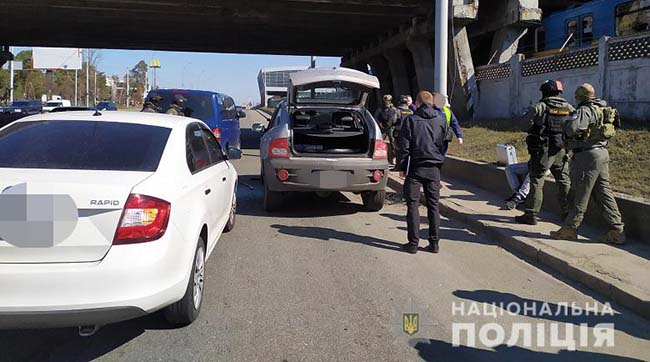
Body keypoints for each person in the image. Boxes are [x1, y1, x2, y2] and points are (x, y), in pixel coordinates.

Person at [550, 83, 625, 244]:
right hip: (602, 153)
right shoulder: (603, 108)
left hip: (587, 155)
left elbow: (572, 129)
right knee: (604, 193)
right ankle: (617, 230)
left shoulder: (585, 110)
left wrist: (567, 124)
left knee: (580, 194)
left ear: (580, 97)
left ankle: (569, 229)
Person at [396, 91, 449, 255]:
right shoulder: (441, 119)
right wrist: (439, 158)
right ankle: (434, 244)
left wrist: (402, 168)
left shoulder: (410, 120)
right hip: (434, 168)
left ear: (417, 103)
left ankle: (413, 244)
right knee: (434, 206)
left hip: (415, 168)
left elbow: (403, 148)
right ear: (432, 103)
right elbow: (447, 139)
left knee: (413, 205)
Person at [515, 80, 573, 225]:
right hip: (561, 148)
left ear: (544, 92)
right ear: (559, 92)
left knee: (536, 180)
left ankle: (531, 214)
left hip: (543, 150)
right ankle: (567, 213)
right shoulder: (569, 107)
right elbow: (574, 127)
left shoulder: (540, 107)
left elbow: (523, 125)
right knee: (563, 181)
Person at [374, 94, 401, 165]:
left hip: (391, 127)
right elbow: (375, 117)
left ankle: (393, 158)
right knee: (379, 141)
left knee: (393, 143)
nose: (386, 102)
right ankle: (379, 157)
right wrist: (380, 124)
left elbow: (397, 118)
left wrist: (393, 125)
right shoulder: (381, 108)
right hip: (383, 127)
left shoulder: (394, 109)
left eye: (388, 100)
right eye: (385, 100)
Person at [395, 95, 414, 163]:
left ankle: (398, 164)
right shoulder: (411, 111)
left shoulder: (398, 111)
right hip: (409, 132)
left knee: (398, 148)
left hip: (399, 131)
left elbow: (394, 120)